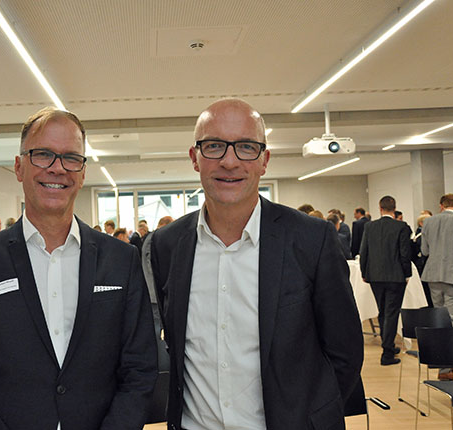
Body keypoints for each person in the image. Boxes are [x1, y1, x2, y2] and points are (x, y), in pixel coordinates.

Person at [0, 107, 157, 430]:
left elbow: (140, 369)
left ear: (82, 172)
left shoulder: (121, 259)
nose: (57, 168)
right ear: (19, 166)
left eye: (71, 158)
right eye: (43, 155)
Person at [151, 99, 363, 430]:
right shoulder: (167, 244)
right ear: (195, 158)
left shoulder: (311, 239)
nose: (230, 161)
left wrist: (314, 417)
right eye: (214, 146)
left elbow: (345, 351)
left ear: (264, 160)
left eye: (246, 147)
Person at [360, 195, 412, 365]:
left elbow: (364, 251)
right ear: (394, 208)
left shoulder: (370, 226)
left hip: (375, 276)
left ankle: (387, 344)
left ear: (380, 208)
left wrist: (364, 272)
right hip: (395, 276)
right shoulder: (402, 227)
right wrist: (407, 274)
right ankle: (387, 353)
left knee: (382, 312)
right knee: (391, 313)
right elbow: (405, 253)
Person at [421, 193, 453, 325]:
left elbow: (424, 251)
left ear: (441, 206)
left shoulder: (427, 221)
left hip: (432, 274)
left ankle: (440, 344)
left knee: (439, 314)